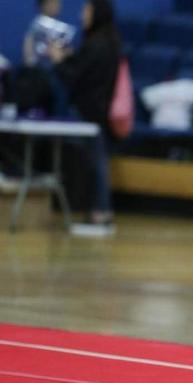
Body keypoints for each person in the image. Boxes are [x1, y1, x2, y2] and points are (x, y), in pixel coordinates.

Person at [48, 0, 120, 233]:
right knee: (96, 162)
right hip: (99, 109)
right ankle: (100, 210)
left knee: (95, 163)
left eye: (86, 10)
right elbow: (83, 69)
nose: (82, 15)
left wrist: (59, 61)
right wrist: (69, 58)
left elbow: (76, 78)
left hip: (89, 112)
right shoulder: (108, 42)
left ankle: (99, 211)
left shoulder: (96, 44)